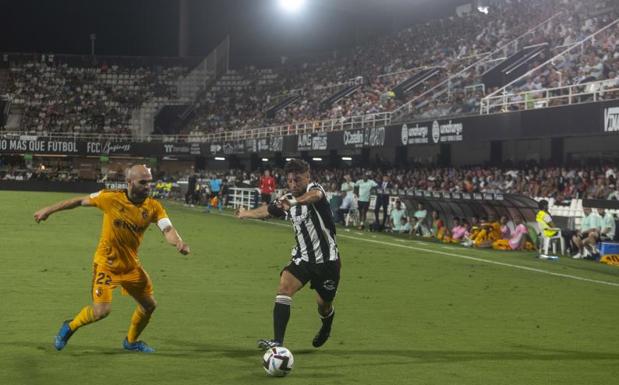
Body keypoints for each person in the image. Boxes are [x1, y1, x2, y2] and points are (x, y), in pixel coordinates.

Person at [33, 165, 190, 353]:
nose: (148, 186)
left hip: (131, 267)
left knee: (149, 305)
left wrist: (179, 243)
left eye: (149, 182)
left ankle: (131, 342)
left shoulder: (154, 207)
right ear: (129, 182)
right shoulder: (110, 198)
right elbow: (79, 201)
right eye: (143, 182)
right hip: (106, 265)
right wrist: (48, 210)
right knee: (101, 311)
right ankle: (70, 326)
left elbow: (167, 229)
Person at [236, 159, 341, 350]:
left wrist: (293, 201)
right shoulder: (287, 198)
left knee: (323, 304)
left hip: (328, 262)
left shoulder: (315, 190)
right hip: (303, 259)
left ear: (307, 177)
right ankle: (277, 343)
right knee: (284, 288)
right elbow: (268, 210)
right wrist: (246, 214)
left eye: (298, 180)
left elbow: (315, 195)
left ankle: (326, 325)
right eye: (290, 181)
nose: (293, 185)